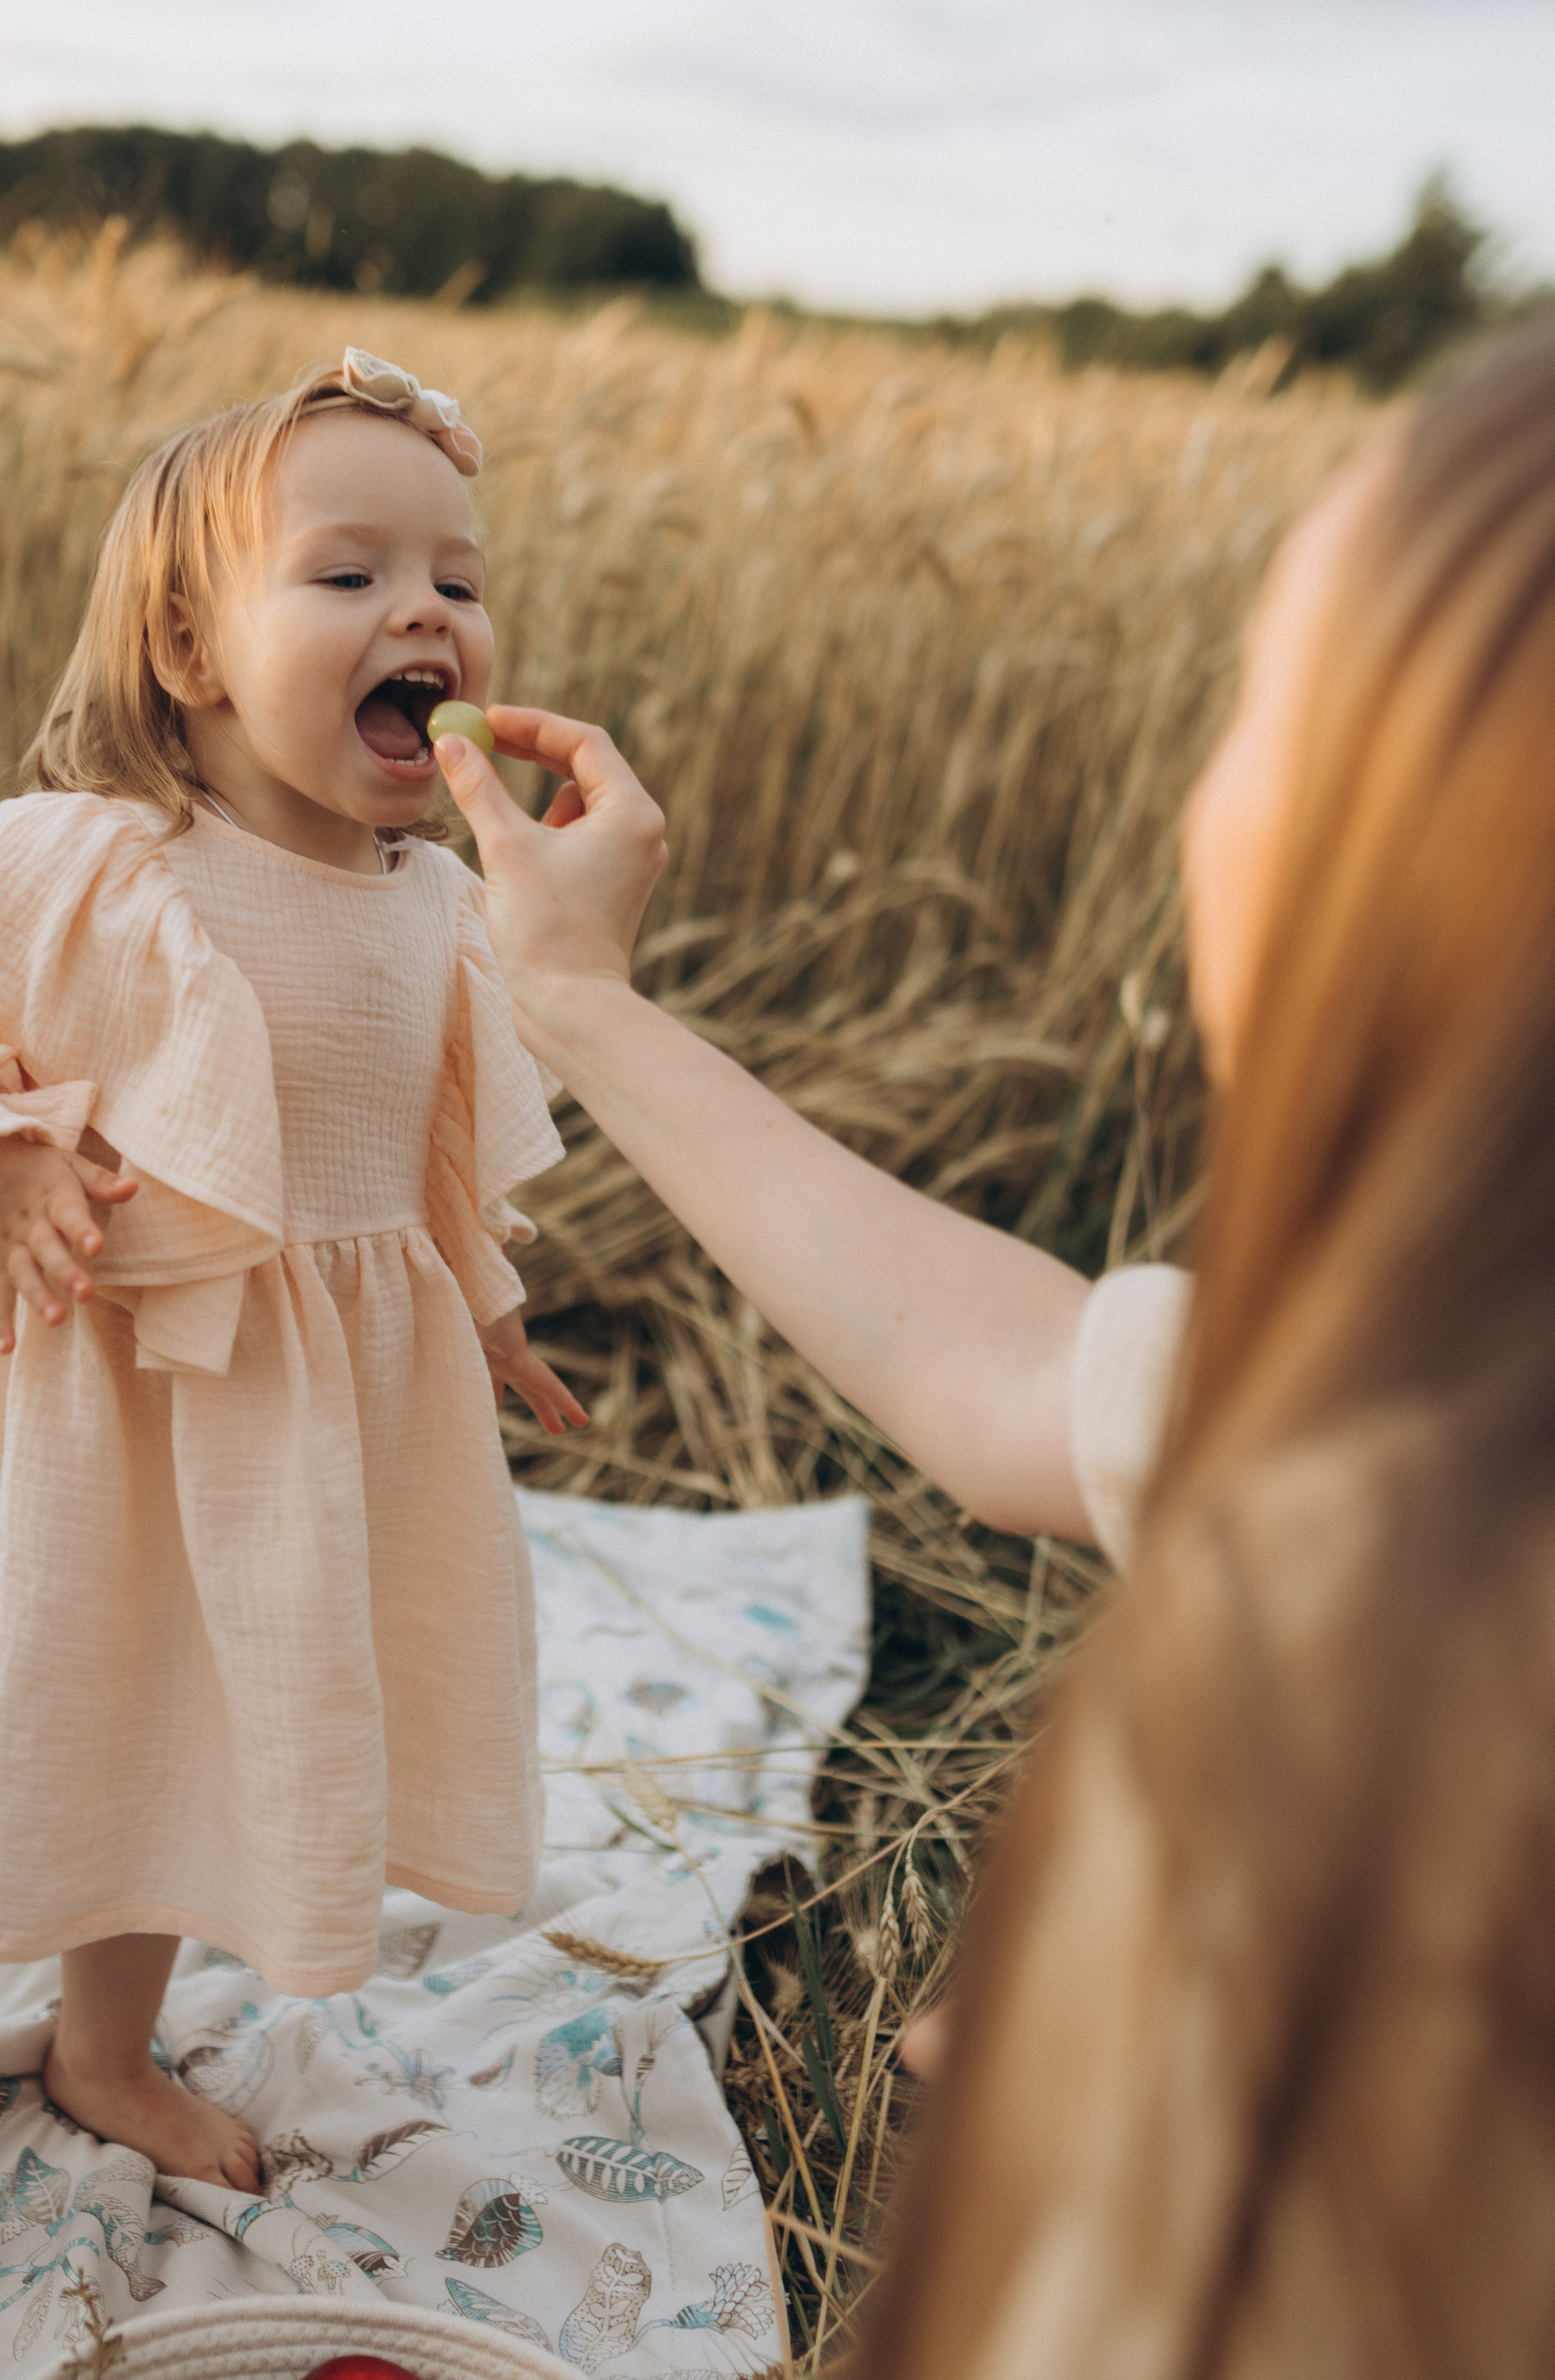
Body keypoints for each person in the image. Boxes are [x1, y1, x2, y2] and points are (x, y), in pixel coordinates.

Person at [434, 323, 1555, 2368]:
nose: (1207, 797)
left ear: (1414, 874)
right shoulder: (1409, 1411)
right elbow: (1021, 1384)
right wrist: (581, 1000)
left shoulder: (1372, 1632)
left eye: (1260, 716)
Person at [0, 350, 584, 2368]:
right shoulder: (98, 856)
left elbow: (432, 1147)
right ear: (192, 646)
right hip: (86, 1413)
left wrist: (493, 1314)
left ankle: (104, 2050)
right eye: (349, 573)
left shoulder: (437, 903)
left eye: (457, 575)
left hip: (303, 1435)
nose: (427, 618)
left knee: (190, 1752)